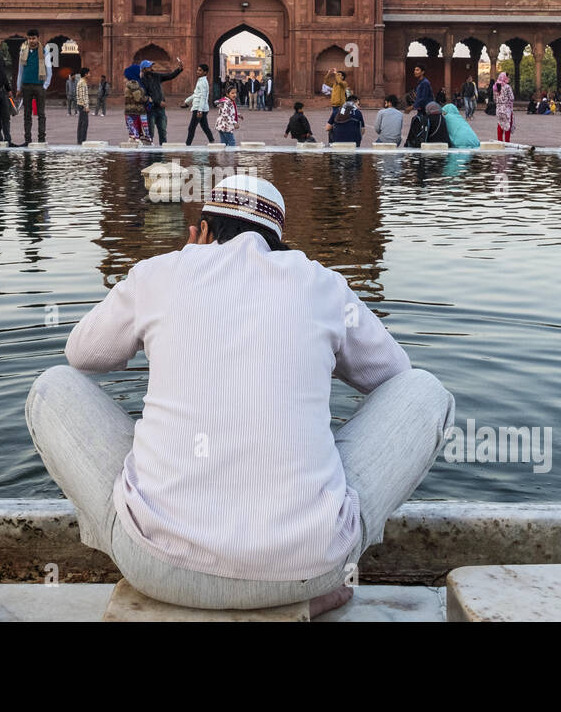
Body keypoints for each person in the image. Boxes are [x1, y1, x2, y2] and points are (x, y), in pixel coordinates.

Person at [25, 174, 455, 613]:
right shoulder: (321, 283)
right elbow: (395, 376)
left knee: (53, 386)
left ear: (205, 230)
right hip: (312, 567)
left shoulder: (161, 272)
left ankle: (147, 535)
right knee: (425, 391)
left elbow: (81, 353)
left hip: (154, 567)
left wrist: (174, 275)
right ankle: (299, 583)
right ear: (277, 240)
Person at [16, 29, 53, 145]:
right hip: (26, 85)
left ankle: (41, 139)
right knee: (27, 114)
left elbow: (49, 70)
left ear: (38, 38)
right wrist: (18, 87)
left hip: (39, 85)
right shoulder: (23, 51)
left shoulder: (45, 51)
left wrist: (45, 86)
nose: (31, 41)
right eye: (29, 38)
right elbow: (20, 71)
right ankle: (28, 139)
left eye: (33, 38)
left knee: (41, 114)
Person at [139, 57, 184, 143]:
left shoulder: (156, 76)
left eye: (151, 66)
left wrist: (179, 69)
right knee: (150, 134)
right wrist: (158, 102)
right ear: (144, 69)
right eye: (149, 67)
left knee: (163, 132)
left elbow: (169, 76)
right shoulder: (142, 81)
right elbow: (145, 96)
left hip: (160, 110)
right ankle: (149, 154)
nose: (151, 68)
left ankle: (162, 154)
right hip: (150, 110)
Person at [185, 65, 215, 145]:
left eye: (200, 70)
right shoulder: (201, 81)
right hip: (201, 108)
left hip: (199, 108)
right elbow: (196, 94)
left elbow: (203, 97)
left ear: (205, 72)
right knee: (204, 127)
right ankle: (212, 141)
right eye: (197, 70)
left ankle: (188, 145)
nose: (197, 71)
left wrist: (200, 110)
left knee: (191, 128)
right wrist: (187, 101)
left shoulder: (203, 82)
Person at [123, 66, 150, 143]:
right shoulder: (134, 84)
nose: (142, 73)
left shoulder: (133, 84)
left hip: (130, 111)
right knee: (140, 132)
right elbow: (138, 98)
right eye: (140, 72)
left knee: (133, 132)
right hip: (137, 111)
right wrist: (147, 99)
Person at [493, 72, 515, 142]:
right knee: (507, 126)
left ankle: (499, 141)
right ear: (504, 78)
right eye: (507, 77)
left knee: (500, 125)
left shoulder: (495, 87)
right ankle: (507, 142)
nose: (508, 78)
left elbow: (494, 98)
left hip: (499, 109)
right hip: (506, 109)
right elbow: (512, 98)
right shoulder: (507, 87)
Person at [75, 67, 91, 144]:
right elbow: (83, 96)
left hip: (80, 104)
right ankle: (82, 140)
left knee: (81, 122)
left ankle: (80, 140)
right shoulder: (82, 83)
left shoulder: (81, 82)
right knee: (84, 123)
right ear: (85, 74)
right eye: (88, 73)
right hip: (82, 105)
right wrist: (86, 106)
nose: (90, 75)